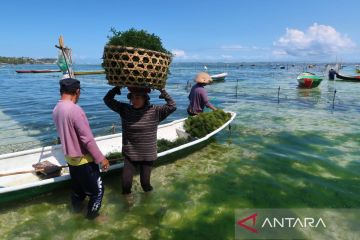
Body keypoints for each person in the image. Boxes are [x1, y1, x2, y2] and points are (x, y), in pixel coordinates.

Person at [53, 78, 110, 220]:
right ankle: (92, 217)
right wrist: (101, 158)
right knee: (97, 192)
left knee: (78, 191)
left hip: (70, 160)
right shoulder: (75, 110)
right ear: (77, 92)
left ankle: (76, 213)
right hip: (84, 160)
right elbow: (87, 139)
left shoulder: (56, 109)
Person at [103, 86, 176, 195]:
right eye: (132, 97)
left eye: (138, 97)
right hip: (130, 153)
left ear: (145, 98)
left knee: (145, 184)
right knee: (126, 185)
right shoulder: (125, 109)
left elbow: (172, 106)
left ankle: (149, 200)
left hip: (147, 154)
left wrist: (162, 90)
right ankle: (127, 205)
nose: (134, 100)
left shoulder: (154, 111)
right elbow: (107, 100)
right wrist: (117, 88)